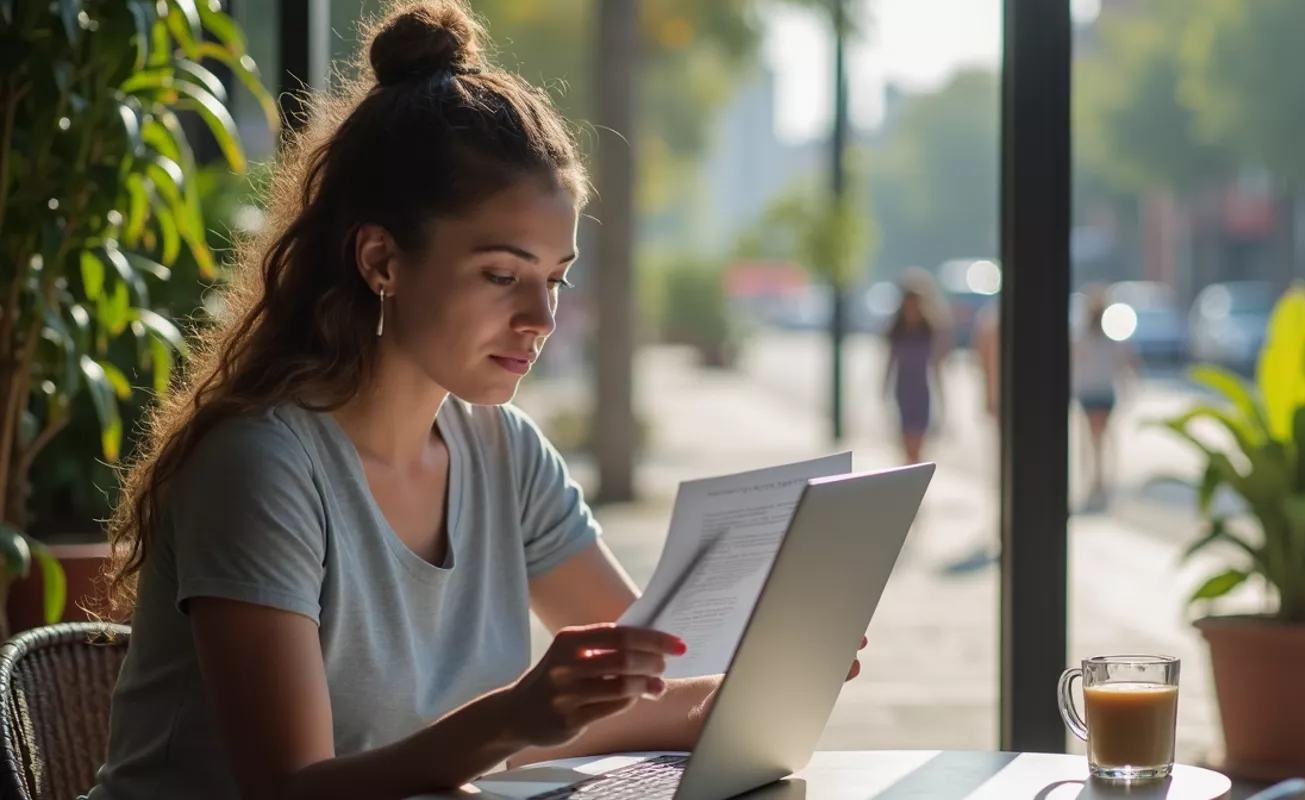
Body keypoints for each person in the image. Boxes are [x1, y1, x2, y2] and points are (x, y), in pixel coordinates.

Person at [84, 4, 863, 798]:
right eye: (502, 275)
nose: (542, 319)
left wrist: (772, 672)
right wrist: (513, 718)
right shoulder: (261, 467)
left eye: (554, 279)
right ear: (382, 259)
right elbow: (290, 788)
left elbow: (645, 686)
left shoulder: (506, 452)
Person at [1074, 286, 1141, 511]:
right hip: (1100, 390)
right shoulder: (1105, 333)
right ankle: (1100, 478)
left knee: (1094, 438)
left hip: (1093, 390)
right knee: (1102, 437)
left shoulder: (1087, 334)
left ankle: (1099, 478)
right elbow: (1127, 360)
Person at [883, 271, 950, 464]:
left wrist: (943, 399)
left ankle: (915, 476)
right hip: (903, 390)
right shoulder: (897, 331)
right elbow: (889, 362)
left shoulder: (930, 330)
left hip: (922, 391)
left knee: (919, 443)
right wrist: (883, 390)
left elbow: (937, 366)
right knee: (905, 442)